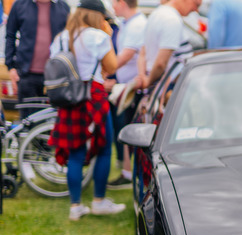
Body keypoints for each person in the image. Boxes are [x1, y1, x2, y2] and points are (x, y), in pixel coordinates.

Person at [48, 0, 124, 221]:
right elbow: (112, 67)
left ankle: (75, 206)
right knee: (104, 148)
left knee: (75, 151)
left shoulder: (61, 37)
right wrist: (107, 35)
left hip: (69, 96)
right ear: (97, 16)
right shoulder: (98, 36)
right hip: (93, 95)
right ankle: (99, 201)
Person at [4, 0, 70, 119]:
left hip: (54, 76)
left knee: (50, 119)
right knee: (26, 119)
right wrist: (11, 67)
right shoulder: (20, 5)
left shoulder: (63, 7)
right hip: (26, 74)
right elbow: (10, 35)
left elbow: (69, 38)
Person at [105, 0, 146, 189]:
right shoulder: (128, 23)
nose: (112, 6)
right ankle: (128, 173)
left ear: (122, 2)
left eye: (114, 2)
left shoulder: (137, 24)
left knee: (132, 130)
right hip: (127, 85)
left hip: (134, 88)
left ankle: (132, 173)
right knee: (127, 129)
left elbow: (126, 55)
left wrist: (105, 73)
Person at [138, 0, 201, 91]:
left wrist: (143, 76)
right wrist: (148, 81)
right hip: (167, 88)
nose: (196, 10)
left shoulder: (156, 14)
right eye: (196, 4)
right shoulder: (172, 20)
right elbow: (161, 63)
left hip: (156, 84)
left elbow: (143, 52)